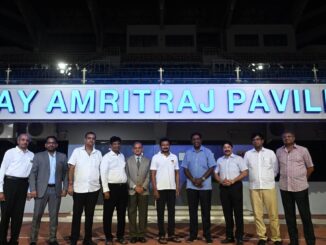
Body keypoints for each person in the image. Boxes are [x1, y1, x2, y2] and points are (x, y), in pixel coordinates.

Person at [276, 131, 315, 245]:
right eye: (284, 137)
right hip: (285, 188)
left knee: (305, 215)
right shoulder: (279, 151)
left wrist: (304, 179)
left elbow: (310, 167)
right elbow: (277, 168)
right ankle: (294, 241)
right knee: (289, 216)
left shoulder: (303, 150)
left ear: (294, 138)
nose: (286, 138)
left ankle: (311, 241)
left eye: (289, 136)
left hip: (300, 188)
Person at [244, 133, 282, 245]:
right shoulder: (248, 154)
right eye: (254, 140)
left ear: (262, 141)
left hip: (268, 187)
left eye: (258, 139)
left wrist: (268, 179)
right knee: (258, 214)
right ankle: (262, 237)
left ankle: (276, 238)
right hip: (254, 187)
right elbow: (245, 169)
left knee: (273, 214)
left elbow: (275, 169)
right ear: (252, 142)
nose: (256, 141)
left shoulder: (270, 153)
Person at [29, 136, 68, 245]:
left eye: (53, 143)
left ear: (56, 145)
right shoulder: (38, 156)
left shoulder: (62, 157)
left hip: (56, 190)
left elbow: (65, 174)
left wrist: (65, 188)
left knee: (54, 216)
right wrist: (32, 189)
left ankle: (52, 239)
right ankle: (33, 239)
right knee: (36, 216)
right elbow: (33, 174)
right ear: (46, 145)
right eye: (49, 143)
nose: (51, 144)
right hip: (41, 190)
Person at [68, 132, 102, 245]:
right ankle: (74, 238)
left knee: (90, 215)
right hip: (79, 189)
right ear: (85, 139)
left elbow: (101, 170)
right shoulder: (77, 151)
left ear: (95, 140)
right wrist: (70, 184)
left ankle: (87, 239)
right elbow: (71, 168)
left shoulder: (98, 153)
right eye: (89, 138)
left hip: (93, 189)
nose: (91, 140)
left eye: (93, 138)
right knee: (77, 215)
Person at [181, 132, 216, 244]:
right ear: (192, 141)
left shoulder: (208, 152)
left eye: (198, 139)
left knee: (206, 212)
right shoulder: (188, 153)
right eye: (194, 139)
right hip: (191, 187)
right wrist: (193, 180)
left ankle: (207, 235)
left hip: (205, 187)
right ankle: (193, 235)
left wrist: (202, 179)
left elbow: (211, 167)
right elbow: (185, 169)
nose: (196, 140)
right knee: (193, 212)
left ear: (201, 140)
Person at [0, 133, 34, 245]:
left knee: (18, 216)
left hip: (23, 185)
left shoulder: (32, 155)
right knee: (5, 215)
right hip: (9, 184)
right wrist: (0, 190)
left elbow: (30, 176)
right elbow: (2, 170)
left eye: (27, 140)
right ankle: (2, 240)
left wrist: (29, 190)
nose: (25, 142)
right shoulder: (10, 152)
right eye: (23, 140)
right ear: (18, 141)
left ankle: (14, 240)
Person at [214, 141, 248, 245]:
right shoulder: (219, 160)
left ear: (232, 148)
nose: (226, 149)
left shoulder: (239, 159)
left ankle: (239, 237)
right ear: (222, 149)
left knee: (238, 213)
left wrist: (233, 180)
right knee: (227, 213)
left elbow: (245, 172)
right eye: (224, 147)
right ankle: (229, 236)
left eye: (228, 147)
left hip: (236, 187)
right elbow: (215, 173)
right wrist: (220, 181)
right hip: (224, 188)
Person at [150, 137, 181, 244]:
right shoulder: (155, 157)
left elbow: (177, 173)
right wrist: (155, 189)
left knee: (172, 213)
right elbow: (152, 174)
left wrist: (177, 187)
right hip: (160, 190)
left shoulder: (174, 157)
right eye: (163, 145)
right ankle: (161, 235)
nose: (165, 146)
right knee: (160, 213)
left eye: (167, 145)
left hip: (172, 189)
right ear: (160, 146)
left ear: (169, 145)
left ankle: (171, 234)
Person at [101, 136, 129, 245]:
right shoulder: (106, 157)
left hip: (123, 188)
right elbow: (103, 174)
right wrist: (105, 190)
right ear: (110, 145)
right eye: (114, 144)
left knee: (121, 214)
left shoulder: (122, 156)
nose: (117, 145)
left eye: (118, 143)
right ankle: (108, 237)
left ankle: (120, 236)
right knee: (108, 214)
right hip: (111, 188)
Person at [126, 142, 150, 243]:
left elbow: (149, 175)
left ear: (142, 149)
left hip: (144, 191)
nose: (137, 149)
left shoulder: (148, 161)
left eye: (139, 148)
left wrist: (143, 187)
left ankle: (141, 234)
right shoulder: (128, 160)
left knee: (143, 213)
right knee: (131, 213)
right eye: (135, 148)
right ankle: (133, 235)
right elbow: (126, 175)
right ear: (132, 149)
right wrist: (135, 186)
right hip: (132, 190)